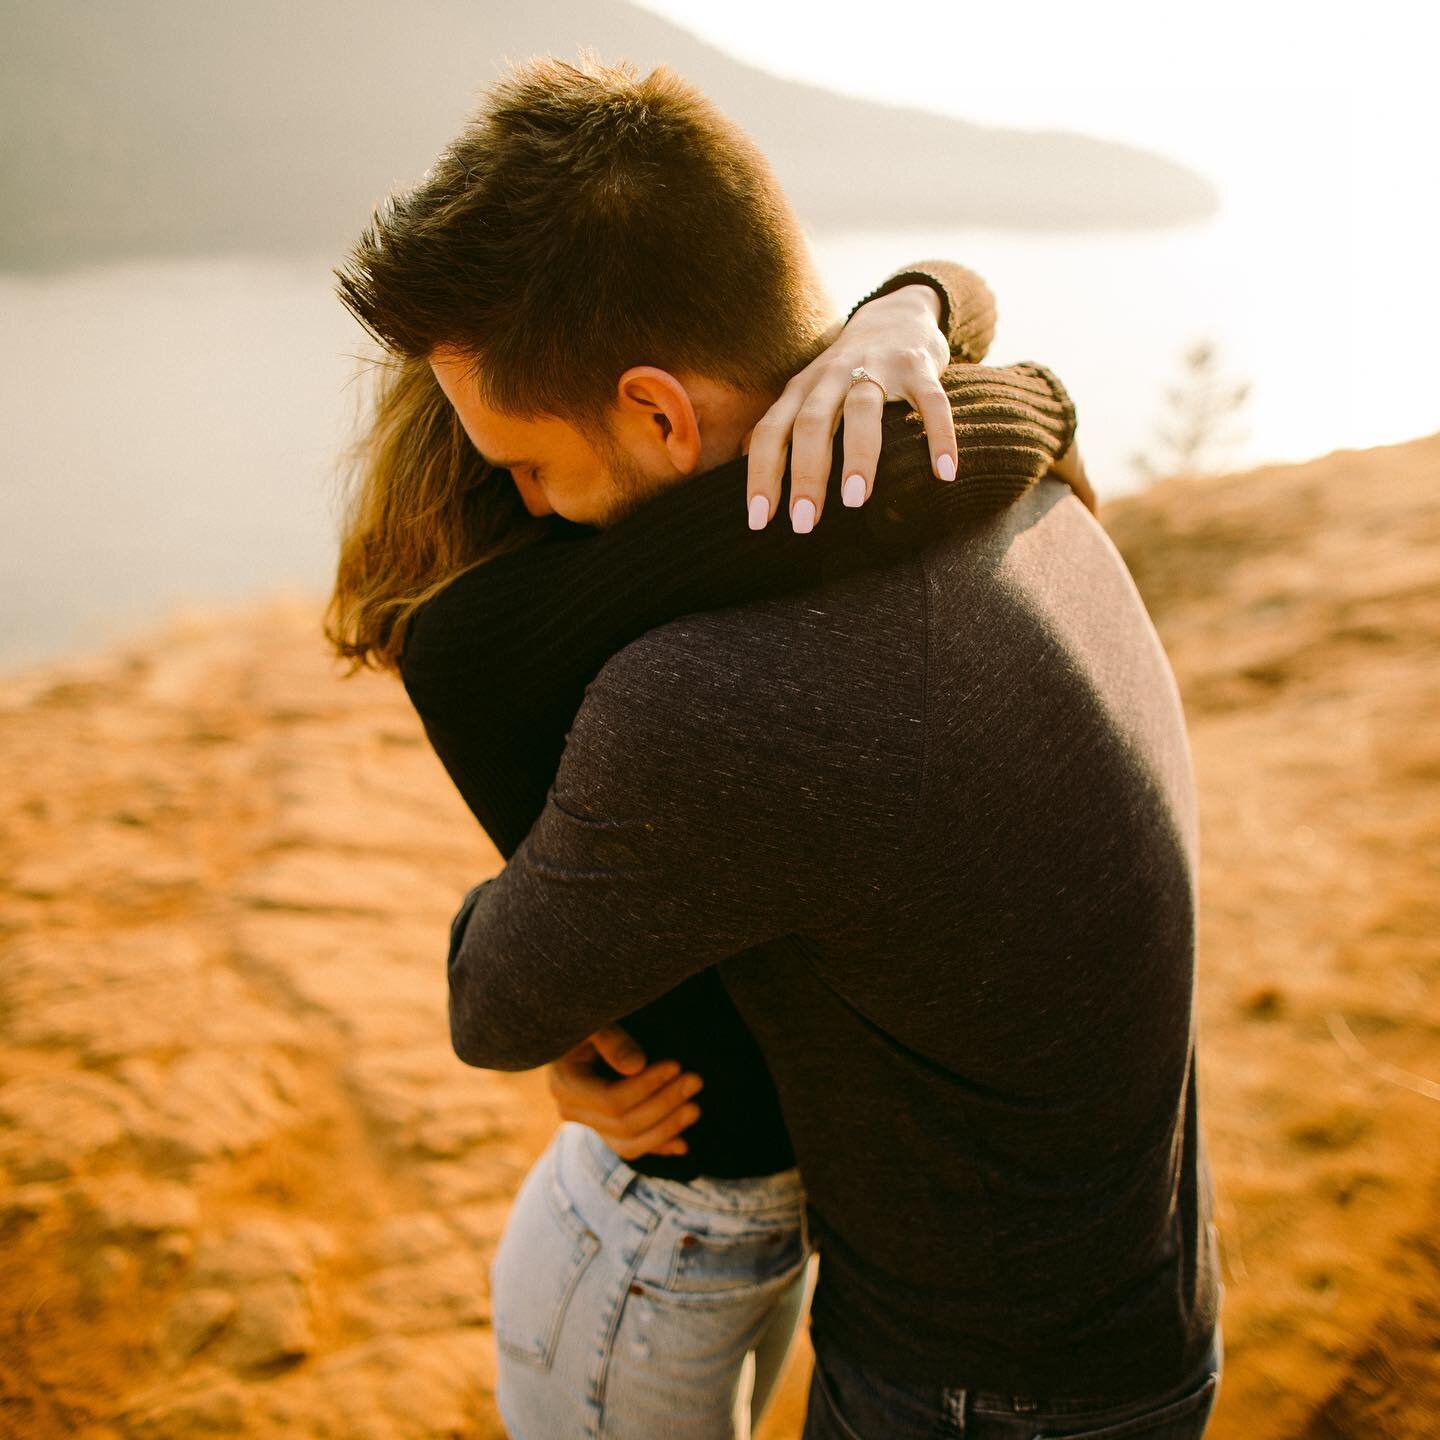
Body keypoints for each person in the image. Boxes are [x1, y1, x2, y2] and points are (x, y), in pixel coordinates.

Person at [331, 53, 1218, 1440]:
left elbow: (495, 1006)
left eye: (525, 468)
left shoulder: (734, 695)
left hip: (985, 1390)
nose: (537, 515)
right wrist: (927, 316)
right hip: (1122, 1311)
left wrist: (518, 971)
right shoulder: (1004, 481)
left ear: (660, 412)